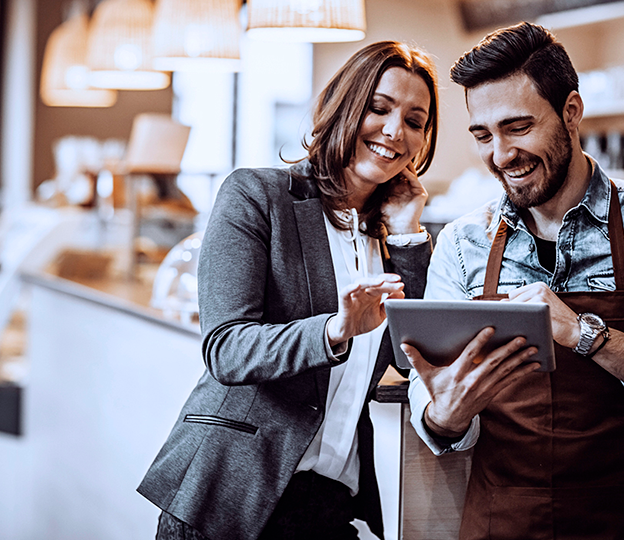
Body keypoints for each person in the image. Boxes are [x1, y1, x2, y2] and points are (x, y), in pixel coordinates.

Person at [403, 22, 624, 540]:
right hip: (501, 523)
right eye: (483, 135)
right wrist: (442, 419)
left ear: (571, 111)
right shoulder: (461, 243)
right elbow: (433, 404)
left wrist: (586, 335)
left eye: (517, 127)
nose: (500, 155)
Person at [138, 41, 438, 540]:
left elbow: (413, 359)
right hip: (232, 498)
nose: (394, 132)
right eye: (379, 108)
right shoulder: (257, 195)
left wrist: (407, 234)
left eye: (414, 120)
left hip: (331, 505)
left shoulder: (395, 235)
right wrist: (334, 331)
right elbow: (227, 349)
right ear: (343, 106)